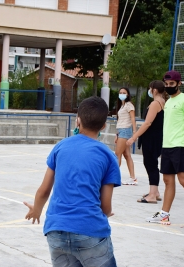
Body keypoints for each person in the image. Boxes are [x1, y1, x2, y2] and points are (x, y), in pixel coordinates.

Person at [24, 97, 121, 267]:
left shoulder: (60, 147)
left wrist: (37, 210)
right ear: (104, 126)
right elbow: (105, 206)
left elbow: (44, 190)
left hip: (56, 231)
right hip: (90, 232)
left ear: (78, 120)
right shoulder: (108, 156)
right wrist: (105, 212)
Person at [146, 70, 184, 229]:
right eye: (167, 84)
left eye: (172, 84)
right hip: (167, 146)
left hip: (179, 146)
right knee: (168, 181)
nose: (169, 86)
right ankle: (164, 214)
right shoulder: (168, 102)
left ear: (179, 83)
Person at [127, 81, 166, 203]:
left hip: (152, 138)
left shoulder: (155, 103)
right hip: (157, 137)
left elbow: (148, 123)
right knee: (152, 163)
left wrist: (134, 137)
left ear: (154, 90)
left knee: (150, 164)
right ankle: (155, 191)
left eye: (150, 88)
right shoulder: (163, 102)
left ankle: (152, 195)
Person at [115, 87, 137, 185]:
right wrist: (117, 134)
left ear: (128, 94)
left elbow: (133, 119)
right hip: (121, 131)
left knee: (117, 154)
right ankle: (133, 178)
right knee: (127, 155)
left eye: (124, 92)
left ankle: (113, 176)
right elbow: (120, 121)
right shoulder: (122, 106)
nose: (122, 94)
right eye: (120, 92)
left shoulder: (129, 105)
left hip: (125, 131)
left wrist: (134, 133)